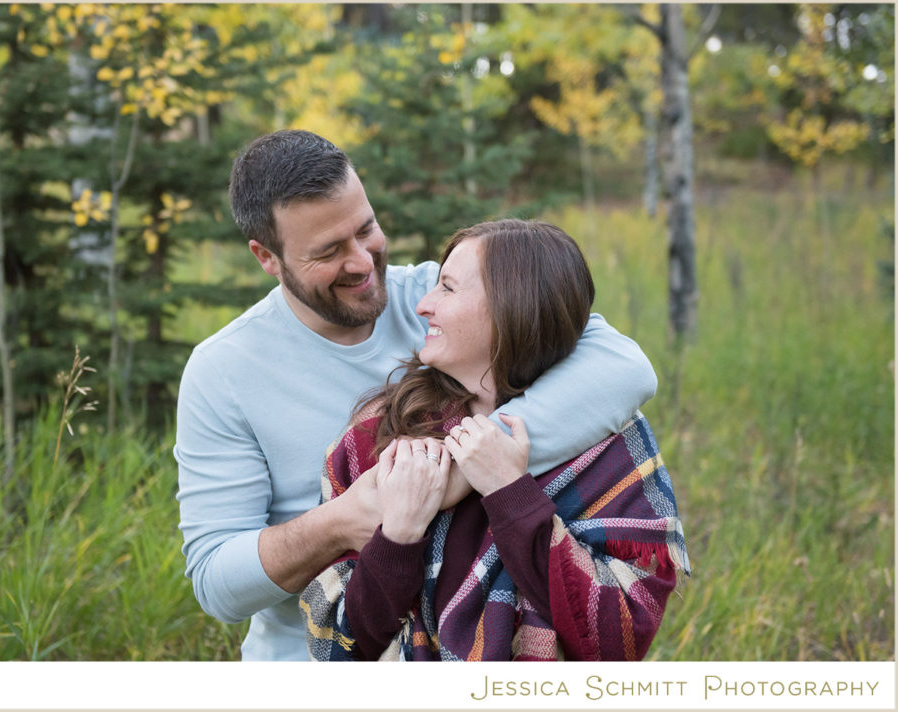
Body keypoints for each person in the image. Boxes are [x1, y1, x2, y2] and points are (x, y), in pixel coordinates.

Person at [174, 130, 660, 661]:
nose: (362, 263)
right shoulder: (224, 370)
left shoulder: (444, 295)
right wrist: (343, 521)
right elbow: (218, 585)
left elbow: (625, 366)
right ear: (267, 257)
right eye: (329, 251)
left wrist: (461, 471)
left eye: (366, 229)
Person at [301, 219, 689, 661]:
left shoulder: (608, 443)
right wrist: (399, 536)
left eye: (447, 288)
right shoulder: (377, 436)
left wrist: (511, 493)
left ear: (513, 308)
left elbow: (617, 642)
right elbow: (337, 649)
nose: (424, 305)